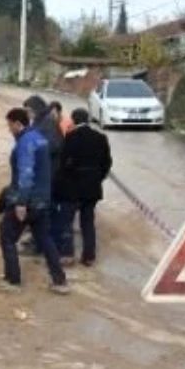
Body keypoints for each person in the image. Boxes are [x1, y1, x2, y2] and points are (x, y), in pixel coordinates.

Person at [0, 107, 71, 295]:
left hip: (28, 200)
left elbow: (26, 174)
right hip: (43, 199)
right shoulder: (39, 138)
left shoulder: (25, 143)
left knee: (7, 236)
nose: (9, 129)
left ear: (18, 124)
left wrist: (21, 203)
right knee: (45, 239)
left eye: (10, 125)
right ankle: (60, 281)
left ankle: (13, 280)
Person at [55, 108, 112, 266]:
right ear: (87, 120)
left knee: (67, 220)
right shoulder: (101, 138)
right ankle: (89, 256)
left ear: (73, 120)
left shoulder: (71, 137)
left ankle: (67, 254)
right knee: (87, 221)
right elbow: (107, 163)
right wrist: (97, 178)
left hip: (73, 187)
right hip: (92, 188)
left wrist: (62, 182)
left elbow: (63, 163)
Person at [20, 95, 64, 256]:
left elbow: (55, 145)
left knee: (42, 211)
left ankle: (41, 246)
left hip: (49, 175)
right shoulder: (40, 122)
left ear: (36, 109)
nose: (27, 114)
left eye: (28, 111)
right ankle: (39, 242)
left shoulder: (48, 122)